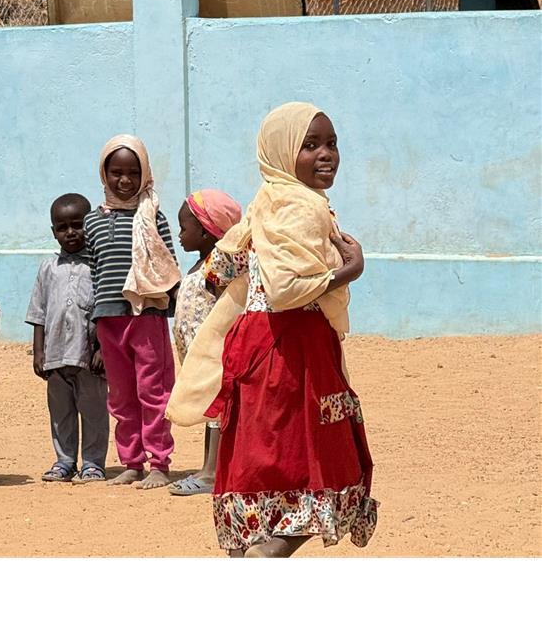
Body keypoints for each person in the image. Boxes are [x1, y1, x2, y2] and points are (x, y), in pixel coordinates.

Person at [167, 102, 378, 557]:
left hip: (255, 347)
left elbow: (217, 271)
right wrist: (350, 269)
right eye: (310, 144)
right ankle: (270, 553)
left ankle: (255, 552)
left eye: (332, 143)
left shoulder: (265, 203)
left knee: (264, 460)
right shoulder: (302, 208)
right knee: (319, 464)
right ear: (282, 152)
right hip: (293, 348)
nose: (327, 155)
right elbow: (287, 289)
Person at [84, 135, 182, 490]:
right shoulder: (92, 222)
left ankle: (159, 462)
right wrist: (93, 324)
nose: (124, 180)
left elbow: (168, 265)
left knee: (152, 392)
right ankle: (131, 461)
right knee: (121, 395)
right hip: (109, 319)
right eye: (116, 172)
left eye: (132, 172)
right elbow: (93, 272)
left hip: (146, 318)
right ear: (104, 174)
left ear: (144, 175)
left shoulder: (153, 217)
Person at [26, 193, 109, 484]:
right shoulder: (49, 269)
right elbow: (38, 313)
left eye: (78, 225)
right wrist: (39, 353)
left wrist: (103, 350)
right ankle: (64, 460)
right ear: (53, 231)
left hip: (89, 358)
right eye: (63, 227)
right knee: (61, 413)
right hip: (56, 355)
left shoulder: (99, 267)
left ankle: (94, 463)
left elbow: (108, 311)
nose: (71, 232)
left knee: (94, 411)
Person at [166, 189, 242, 497]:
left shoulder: (216, 269)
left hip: (214, 355)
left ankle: (212, 474)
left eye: (185, 228)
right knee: (210, 413)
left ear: (207, 231)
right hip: (198, 356)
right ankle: (211, 469)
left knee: (216, 412)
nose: (180, 234)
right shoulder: (200, 266)